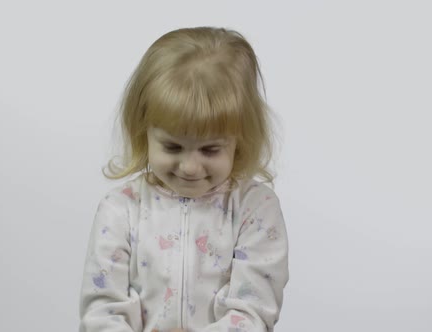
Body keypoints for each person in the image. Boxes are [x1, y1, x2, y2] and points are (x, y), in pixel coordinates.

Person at [79, 26, 289, 332]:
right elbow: (102, 309)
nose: (190, 167)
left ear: (239, 140)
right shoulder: (120, 209)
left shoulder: (255, 210)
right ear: (144, 131)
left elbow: (254, 311)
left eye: (211, 149)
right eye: (172, 146)